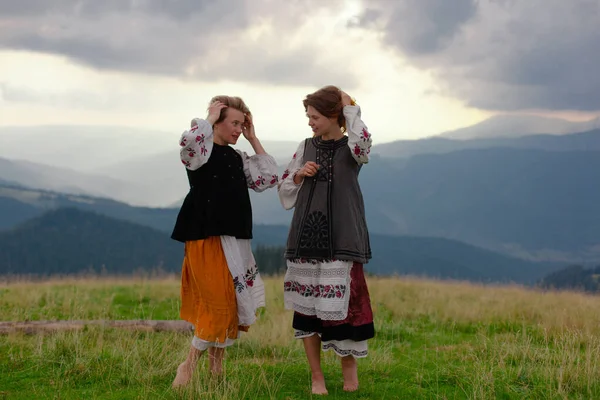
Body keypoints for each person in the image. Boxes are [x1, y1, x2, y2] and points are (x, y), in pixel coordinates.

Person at [170, 96, 278, 387]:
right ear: (217, 122)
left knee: (229, 304)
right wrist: (209, 114)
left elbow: (268, 179)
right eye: (234, 123)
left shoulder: (237, 157)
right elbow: (187, 144)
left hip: (234, 238)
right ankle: (188, 366)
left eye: (242, 125)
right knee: (217, 305)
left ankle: (216, 369)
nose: (238, 130)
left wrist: (253, 138)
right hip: (206, 237)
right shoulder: (200, 153)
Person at [278, 85, 374, 395]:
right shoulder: (304, 146)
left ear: (334, 116)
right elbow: (285, 189)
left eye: (315, 116)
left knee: (347, 307)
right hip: (307, 238)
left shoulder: (353, 149)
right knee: (307, 310)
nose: (309, 122)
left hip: (343, 237)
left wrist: (349, 106)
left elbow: (364, 144)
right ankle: (316, 376)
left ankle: (350, 372)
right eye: (308, 116)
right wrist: (298, 175)